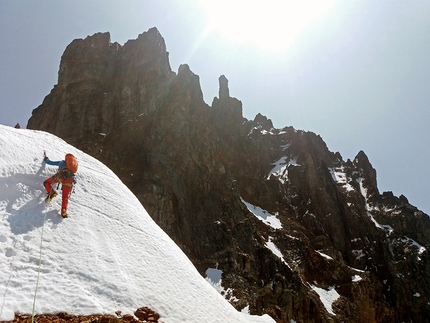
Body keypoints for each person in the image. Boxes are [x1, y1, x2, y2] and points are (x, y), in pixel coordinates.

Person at [43, 151, 75, 218]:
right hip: (69, 180)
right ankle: (63, 211)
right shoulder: (73, 167)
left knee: (46, 182)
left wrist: (46, 158)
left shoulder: (62, 162)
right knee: (65, 197)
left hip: (60, 177)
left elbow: (50, 162)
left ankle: (51, 193)